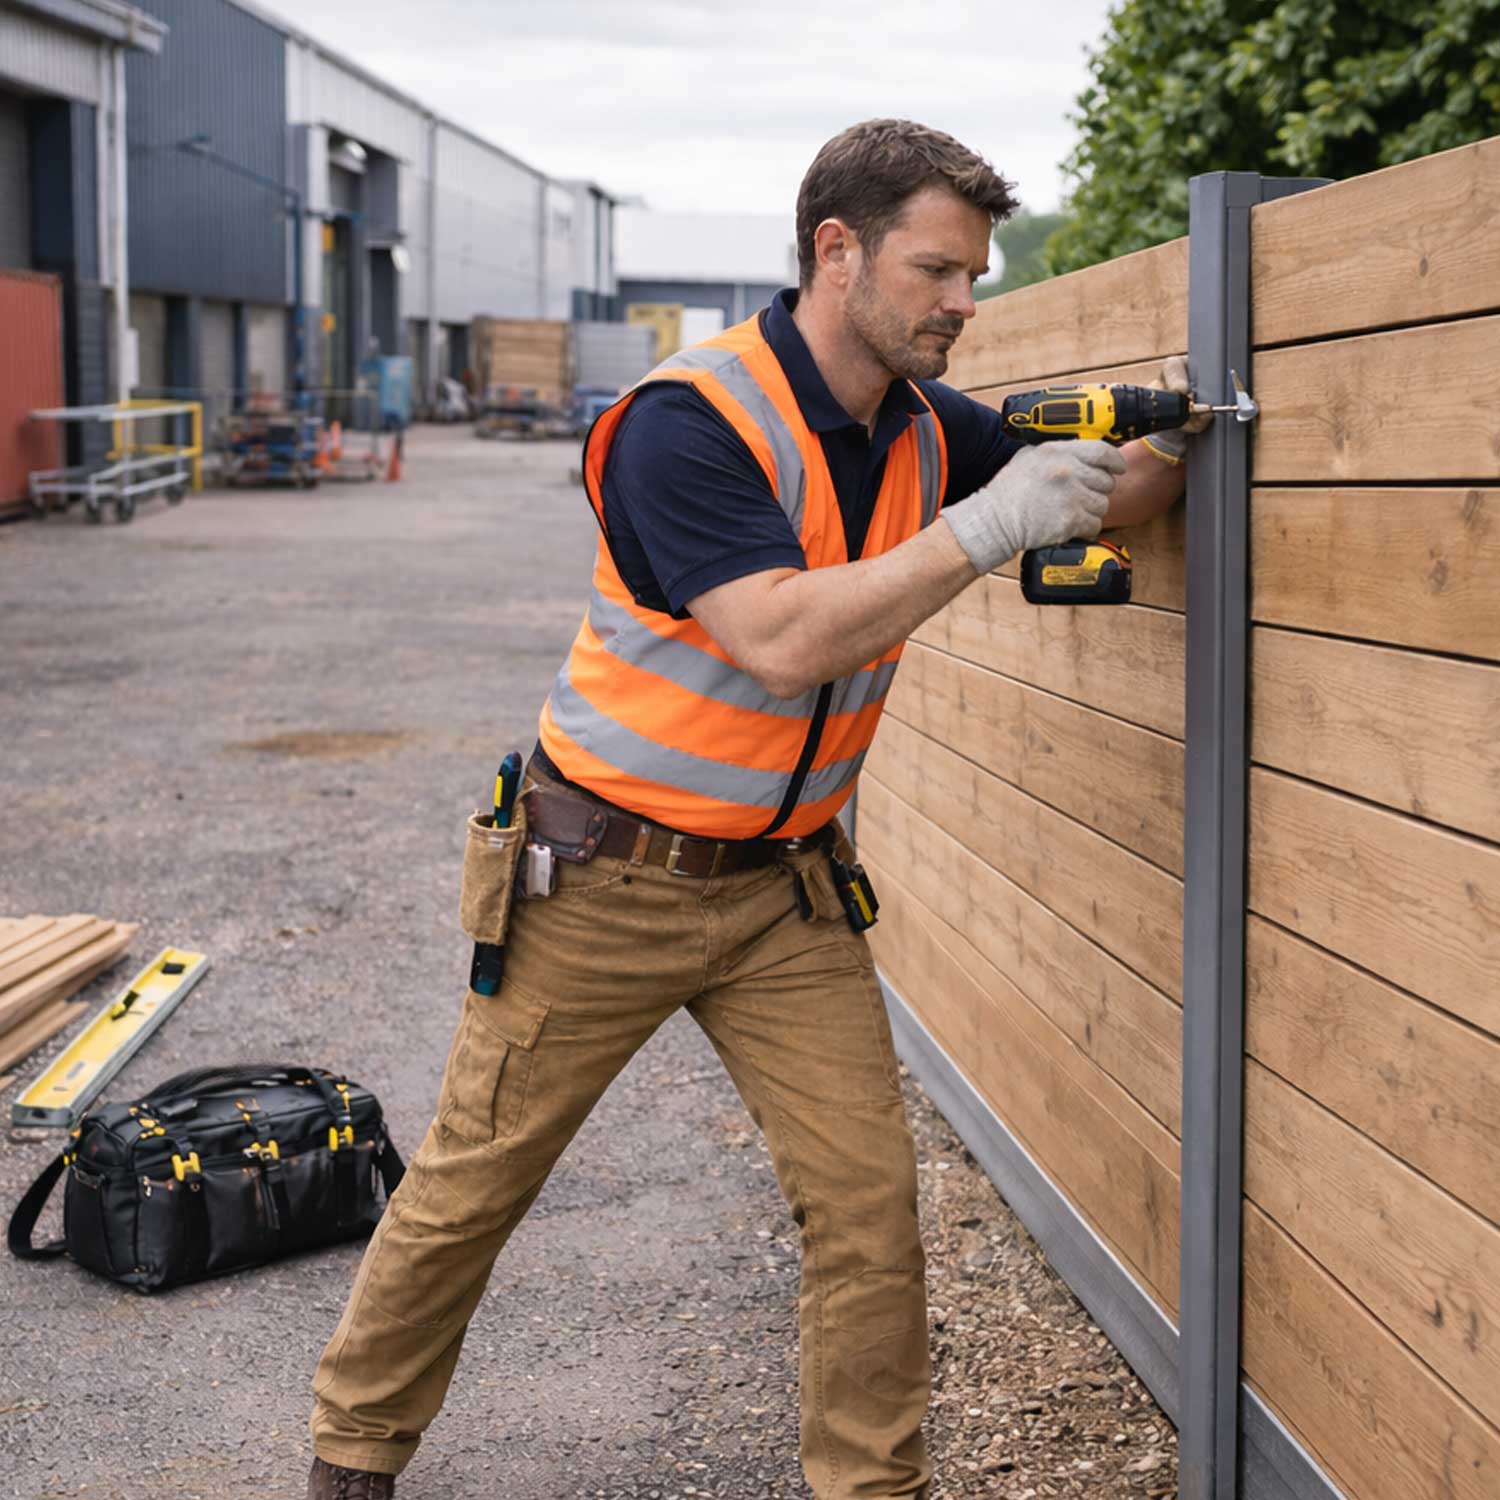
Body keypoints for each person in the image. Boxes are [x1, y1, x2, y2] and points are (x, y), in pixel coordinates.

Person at [306, 117, 1200, 1500]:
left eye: (976, 275)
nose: (966, 304)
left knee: (864, 1214)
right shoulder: (685, 422)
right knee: (471, 1186)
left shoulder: (920, 425)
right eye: (938, 271)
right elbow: (781, 638)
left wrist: (1179, 430)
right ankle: (352, 1456)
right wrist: (988, 525)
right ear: (835, 252)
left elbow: (1121, 492)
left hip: (783, 895)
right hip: (597, 882)